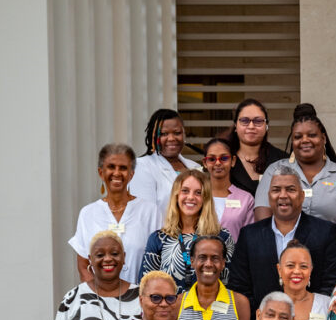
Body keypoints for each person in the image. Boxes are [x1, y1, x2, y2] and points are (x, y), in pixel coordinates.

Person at [226, 165, 336, 320]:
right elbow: (239, 287)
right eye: (276, 190)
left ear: (302, 196)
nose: (283, 195)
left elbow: (334, 283)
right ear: (269, 196)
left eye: (290, 189)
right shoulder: (249, 235)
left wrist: (306, 316)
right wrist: (263, 317)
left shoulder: (326, 232)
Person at [254, 104, 336, 247]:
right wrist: (290, 251)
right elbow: (263, 218)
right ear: (292, 141)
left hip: (329, 259)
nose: (305, 140)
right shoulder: (274, 171)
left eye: (312, 135)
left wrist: (324, 249)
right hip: (282, 257)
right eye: (298, 136)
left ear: (323, 138)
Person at [70, 144, 158, 284]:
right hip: (99, 301)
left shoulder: (150, 211)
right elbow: (83, 266)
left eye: (123, 168)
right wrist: (99, 298)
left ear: (131, 174)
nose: (117, 173)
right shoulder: (88, 213)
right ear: (101, 172)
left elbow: (159, 260)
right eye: (111, 167)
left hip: (140, 300)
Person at [140, 169, 233, 291]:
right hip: (168, 308)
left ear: (205, 198)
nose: (191, 197)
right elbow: (146, 286)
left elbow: (230, 283)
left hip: (211, 308)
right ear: (176, 195)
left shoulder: (222, 237)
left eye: (198, 192)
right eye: (185, 191)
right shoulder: (159, 238)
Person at [130, 109, 201, 215]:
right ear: (153, 137)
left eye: (177, 133)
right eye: (163, 134)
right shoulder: (142, 166)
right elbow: (145, 215)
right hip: (162, 231)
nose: (171, 138)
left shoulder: (195, 167)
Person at [223, 98, 288, 195]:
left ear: (266, 126)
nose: (251, 126)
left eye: (258, 121)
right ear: (236, 125)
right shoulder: (223, 160)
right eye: (244, 121)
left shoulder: (282, 160)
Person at [202, 137, 256, 243]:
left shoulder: (245, 199)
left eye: (224, 158)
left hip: (235, 259)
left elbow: (249, 239)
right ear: (205, 163)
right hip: (200, 258)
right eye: (212, 159)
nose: (217, 163)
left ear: (233, 161)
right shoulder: (196, 195)